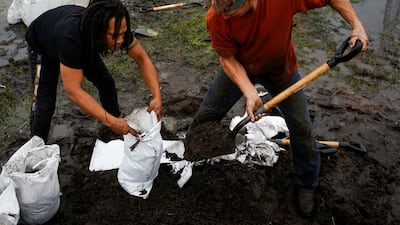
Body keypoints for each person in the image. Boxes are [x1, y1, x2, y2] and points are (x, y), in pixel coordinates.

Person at [187, 0, 368, 218]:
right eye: (219, 10)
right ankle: (188, 155)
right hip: (239, 66)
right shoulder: (216, 17)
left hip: (280, 70)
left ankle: (307, 183)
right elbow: (227, 58)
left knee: (301, 128)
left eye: (228, 10)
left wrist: (356, 25)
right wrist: (249, 91)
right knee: (207, 115)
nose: (223, 16)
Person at [25, 0, 162, 143]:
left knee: (106, 82)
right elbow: (73, 91)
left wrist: (157, 96)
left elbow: (142, 59)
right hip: (42, 46)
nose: (121, 40)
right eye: (114, 36)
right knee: (45, 104)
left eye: (123, 33)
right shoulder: (71, 39)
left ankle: (116, 123)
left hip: (81, 42)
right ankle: (36, 147)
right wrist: (110, 121)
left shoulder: (115, 29)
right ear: (98, 31)